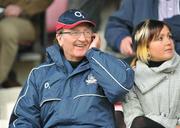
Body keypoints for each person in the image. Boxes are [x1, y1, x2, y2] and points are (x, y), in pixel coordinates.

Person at [9, 9, 134, 127]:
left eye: (87, 32)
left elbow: (120, 87)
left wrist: (93, 53)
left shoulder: (103, 66)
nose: (83, 38)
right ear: (59, 38)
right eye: (75, 32)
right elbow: (23, 119)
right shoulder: (40, 74)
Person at [122, 19, 180, 128]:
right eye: (160, 38)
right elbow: (133, 120)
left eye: (170, 36)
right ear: (145, 47)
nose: (168, 42)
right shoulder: (130, 78)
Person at [105, 0, 180, 63]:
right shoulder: (137, 2)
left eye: (169, 36)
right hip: (145, 65)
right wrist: (121, 39)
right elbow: (114, 25)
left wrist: (159, 27)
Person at [0, 0, 53, 88]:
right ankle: (8, 78)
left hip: (27, 20)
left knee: (6, 30)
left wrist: (22, 9)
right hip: (4, 16)